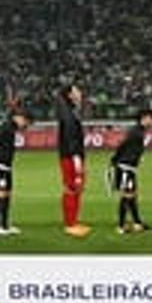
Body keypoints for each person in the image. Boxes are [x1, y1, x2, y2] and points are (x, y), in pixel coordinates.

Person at [0, 103, 28, 236]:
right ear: (17, 117)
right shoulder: (5, 128)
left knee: (7, 193)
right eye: (24, 119)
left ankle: (5, 224)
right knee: (0, 193)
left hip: (5, 166)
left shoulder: (10, 128)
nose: (25, 123)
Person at [57, 83, 92, 237]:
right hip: (71, 157)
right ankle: (70, 224)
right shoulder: (68, 114)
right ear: (70, 95)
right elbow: (71, 139)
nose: (80, 93)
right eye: (76, 90)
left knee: (75, 188)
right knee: (72, 188)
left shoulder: (70, 111)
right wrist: (76, 159)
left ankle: (73, 221)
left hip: (71, 156)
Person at [112, 109, 152, 234]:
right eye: (150, 118)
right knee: (127, 196)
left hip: (128, 167)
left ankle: (137, 223)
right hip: (125, 168)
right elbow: (123, 146)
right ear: (144, 118)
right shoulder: (136, 133)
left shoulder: (137, 131)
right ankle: (121, 226)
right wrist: (116, 160)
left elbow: (124, 146)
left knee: (132, 196)